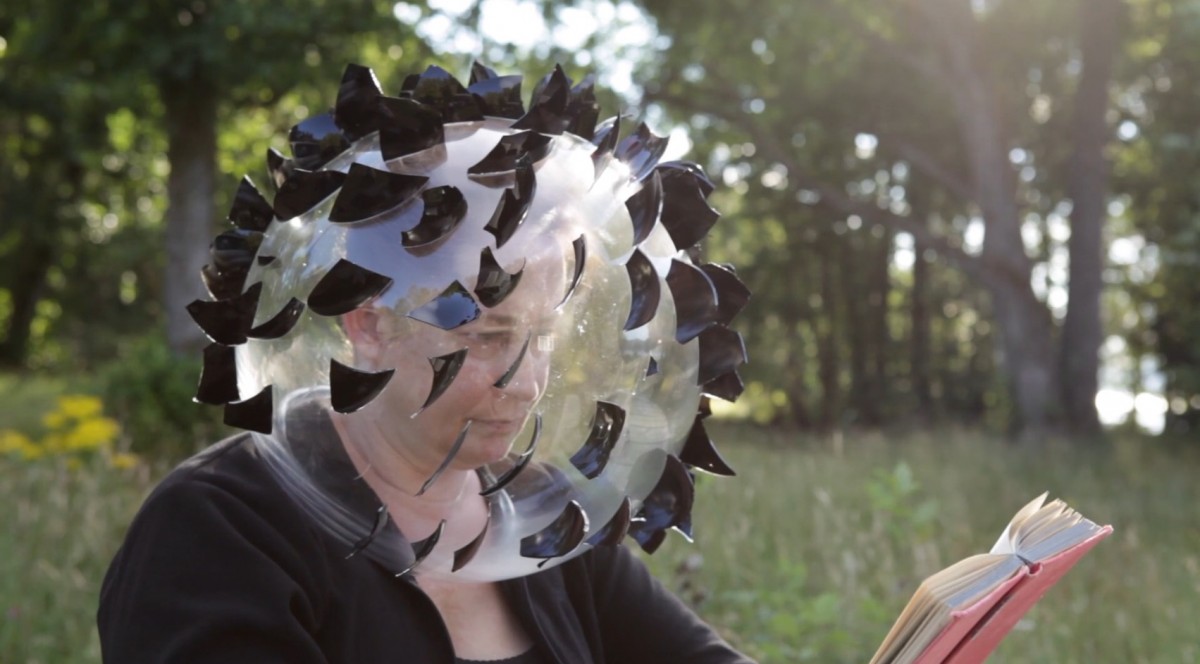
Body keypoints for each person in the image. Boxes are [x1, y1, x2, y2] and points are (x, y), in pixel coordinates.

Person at [98, 61, 753, 663]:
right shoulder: (220, 530)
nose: (525, 384)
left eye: (544, 335)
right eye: (489, 337)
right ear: (369, 323)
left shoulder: (540, 512)